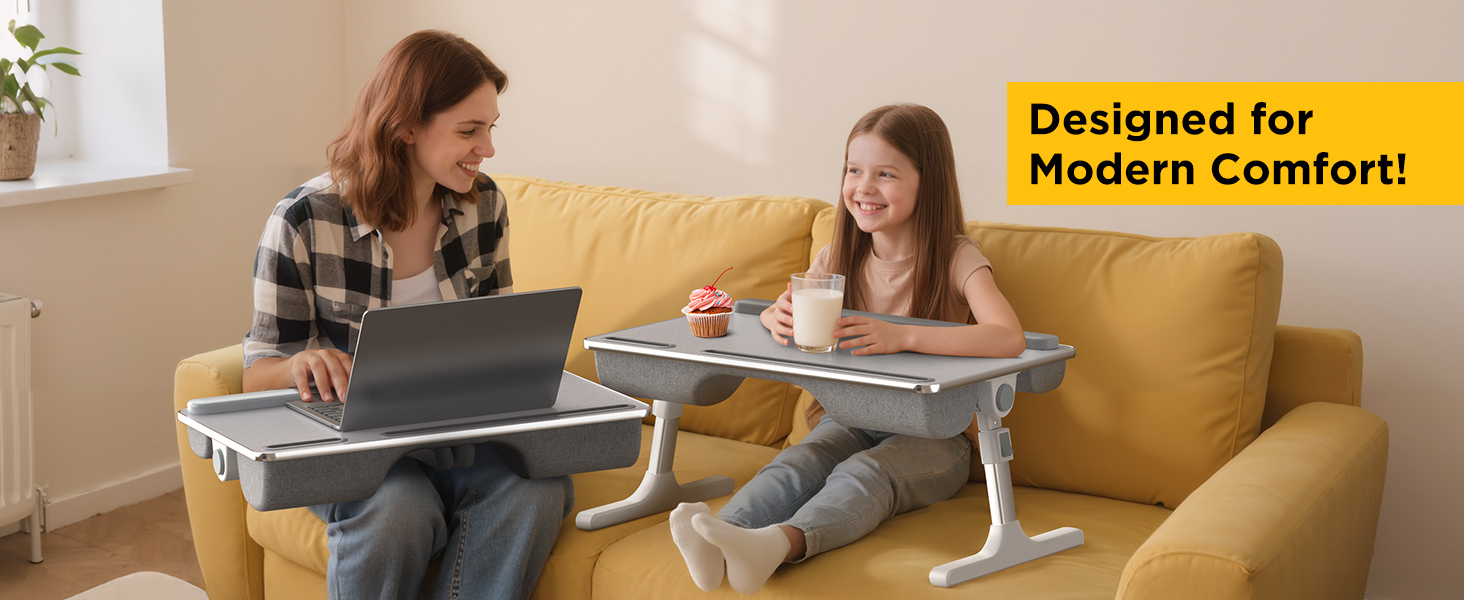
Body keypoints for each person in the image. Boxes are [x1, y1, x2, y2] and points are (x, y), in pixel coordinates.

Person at [240, 30, 571, 600]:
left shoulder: (484, 205)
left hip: (456, 432)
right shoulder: (304, 219)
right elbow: (255, 377)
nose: (487, 148)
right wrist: (302, 365)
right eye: (469, 131)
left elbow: (502, 335)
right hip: (346, 445)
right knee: (399, 509)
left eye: (491, 128)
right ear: (406, 127)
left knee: (538, 490)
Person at [669, 104, 1027, 594]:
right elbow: (784, 312)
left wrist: (904, 334)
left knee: (866, 472)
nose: (864, 187)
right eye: (854, 171)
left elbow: (1008, 335)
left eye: (885, 174)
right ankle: (722, 536)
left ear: (929, 182)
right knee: (801, 460)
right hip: (850, 417)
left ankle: (779, 544)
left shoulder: (956, 255)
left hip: (936, 436)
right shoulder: (838, 256)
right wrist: (775, 316)